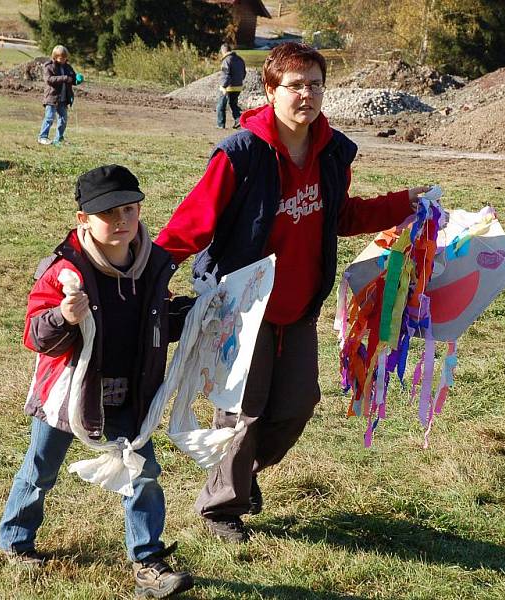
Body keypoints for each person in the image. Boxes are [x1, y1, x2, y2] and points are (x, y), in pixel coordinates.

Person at [156, 42, 430, 543]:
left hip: (301, 305)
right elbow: (195, 222)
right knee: (242, 410)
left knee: (299, 404)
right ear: (271, 90)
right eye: (295, 85)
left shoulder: (332, 150)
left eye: (315, 84)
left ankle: (241, 474)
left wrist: (399, 205)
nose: (307, 94)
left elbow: (338, 216)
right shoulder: (241, 153)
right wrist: (149, 271)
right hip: (245, 306)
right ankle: (222, 509)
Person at [0, 164, 195, 598]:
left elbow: (157, 321)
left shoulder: (153, 266)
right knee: (40, 469)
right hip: (69, 395)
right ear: (84, 219)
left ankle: (148, 563)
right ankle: (15, 539)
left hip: (132, 394)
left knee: (142, 474)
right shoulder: (65, 271)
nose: (122, 221)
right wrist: (63, 317)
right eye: (109, 214)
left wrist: (198, 314)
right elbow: (35, 335)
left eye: (129, 209)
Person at [38, 45, 81, 146]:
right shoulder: (48, 66)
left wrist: (77, 79)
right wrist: (65, 78)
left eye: (65, 57)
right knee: (49, 117)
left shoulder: (68, 67)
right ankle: (42, 137)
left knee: (63, 119)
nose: (63, 60)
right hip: (51, 97)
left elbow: (72, 79)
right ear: (55, 56)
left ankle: (59, 138)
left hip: (63, 98)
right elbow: (49, 80)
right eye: (61, 58)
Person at [217, 43, 246, 130]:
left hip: (228, 87)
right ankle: (239, 121)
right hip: (238, 86)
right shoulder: (240, 59)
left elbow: (226, 74)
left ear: (223, 51)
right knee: (233, 104)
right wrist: (239, 81)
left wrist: (223, 86)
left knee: (220, 105)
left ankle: (220, 125)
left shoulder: (226, 60)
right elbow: (244, 73)